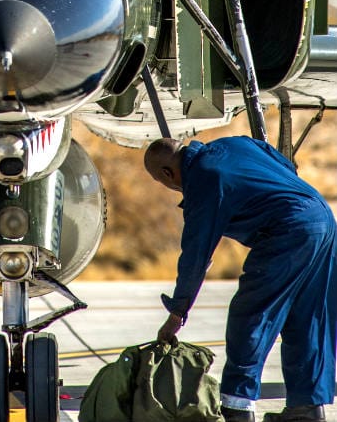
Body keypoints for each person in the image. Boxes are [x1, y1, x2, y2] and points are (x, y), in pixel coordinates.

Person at [144, 136, 337, 422]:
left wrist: (178, 311)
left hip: (288, 230)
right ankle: (307, 408)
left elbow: (196, 254)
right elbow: (285, 165)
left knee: (250, 315)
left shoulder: (203, 179)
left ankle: (238, 404)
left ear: (166, 173)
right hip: (322, 218)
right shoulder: (238, 144)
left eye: (165, 184)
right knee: (307, 317)